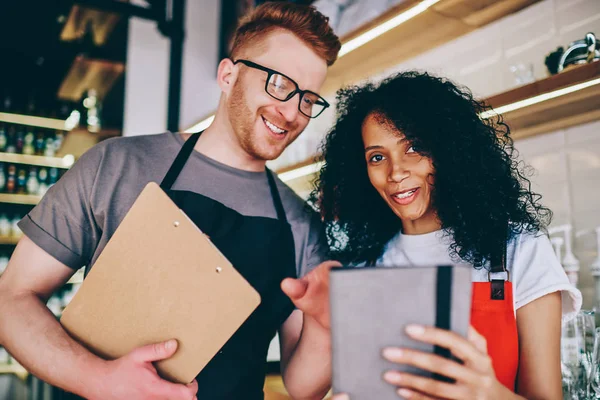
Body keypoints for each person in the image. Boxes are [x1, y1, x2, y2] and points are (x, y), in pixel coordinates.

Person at [0, 3, 341, 400]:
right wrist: (99, 379)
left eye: (307, 99)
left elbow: (304, 388)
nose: (291, 112)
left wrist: (324, 324)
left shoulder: (299, 224)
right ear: (228, 75)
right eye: (280, 85)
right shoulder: (116, 165)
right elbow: (12, 300)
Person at [304, 71, 581, 399]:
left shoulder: (518, 250)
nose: (395, 172)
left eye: (414, 148)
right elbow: (310, 388)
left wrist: (488, 394)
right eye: (377, 157)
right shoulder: (364, 266)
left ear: (448, 150)